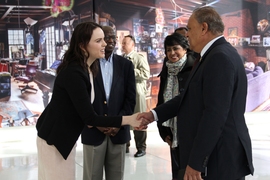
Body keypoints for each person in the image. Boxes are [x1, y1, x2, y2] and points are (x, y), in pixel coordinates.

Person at [138, 6, 254, 180]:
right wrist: (154, 114)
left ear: (204, 28)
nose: (187, 34)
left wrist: (196, 162)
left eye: (190, 29)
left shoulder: (219, 57)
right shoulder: (209, 56)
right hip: (215, 154)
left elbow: (214, 115)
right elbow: (188, 97)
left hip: (219, 157)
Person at [35, 22, 141, 180]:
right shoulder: (74, 72)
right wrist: (129, 119)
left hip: (67, 138)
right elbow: (90, 118)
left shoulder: (89, 68)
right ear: (83, 46)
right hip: (54, 138)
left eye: (104, 39)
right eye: (98, 41)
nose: (105, 44)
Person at [81, 26, 136, 180]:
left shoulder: (126, 65)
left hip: (117, 132)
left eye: (112, 37)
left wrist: (118, 122)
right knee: (92, 176)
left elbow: (130, 99)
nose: (109, 41)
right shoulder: (87, 65)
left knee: (116, 176)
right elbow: (83, 99)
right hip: (93, 131)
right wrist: (96, 121)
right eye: (104, 38)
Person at [156, 33, 195, 180]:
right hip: (173, 132)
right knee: (177, 172)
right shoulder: (167, 68)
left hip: (190, 131)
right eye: (168, 50)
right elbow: (162, 101)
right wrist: (163, 131)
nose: (172, 53)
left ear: (185, 49)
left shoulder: (194, 68)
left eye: (175, 48)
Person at [122, 35, 150, 157]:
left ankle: (141, 147)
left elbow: (145, 74)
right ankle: (125, 145)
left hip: (137, 93)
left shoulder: (139, 58)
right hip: (124, 93)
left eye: (125, 43)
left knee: (139, 119)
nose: (122, 45)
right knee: (126, 119)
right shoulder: (121, 58)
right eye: (122, 43)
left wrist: (130, 69)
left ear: (132, 45)